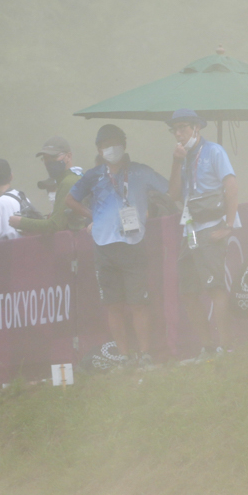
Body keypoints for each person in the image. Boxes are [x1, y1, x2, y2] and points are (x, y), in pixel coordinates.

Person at [69, 123, 168, 367]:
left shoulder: (139, 171)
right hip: (104, 245)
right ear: (99, 148)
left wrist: (178, 163)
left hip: (133, 243)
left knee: (138, 302)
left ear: (123, 145)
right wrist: (93, 215)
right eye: (105, 144)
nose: (111, 148)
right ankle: (124, 356)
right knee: (113, 305)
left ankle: (144, 353)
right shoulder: (93, 175)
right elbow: (70, 199)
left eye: (115, 143)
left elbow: (169, 189)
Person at [167, 109, 236, 356]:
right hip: (191, 230)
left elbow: (231, 184)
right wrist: (176, 161)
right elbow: (173, 194)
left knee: (215, 287)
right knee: (188, 291)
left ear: (197, 128)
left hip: (213, 226)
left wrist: (228, 224)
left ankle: (225, 345)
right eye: (174, 129)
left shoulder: (214, 151)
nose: (178, 133)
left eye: (183, 127)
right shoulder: (182, 157)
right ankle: (207, 345)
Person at [13, 136, 89, 235]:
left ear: (69, 156)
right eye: (45, 158)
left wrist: (21, 222)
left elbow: (55, 225)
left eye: (54, 157)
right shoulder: (73, 178)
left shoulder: (68, 181)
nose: (49, 162)